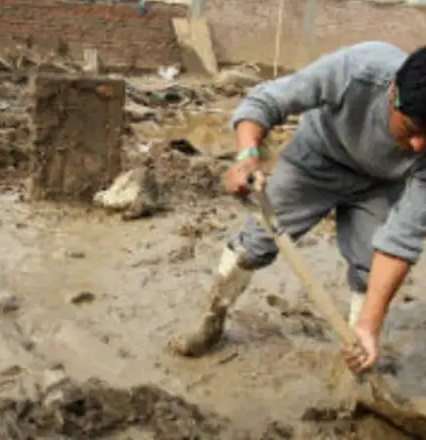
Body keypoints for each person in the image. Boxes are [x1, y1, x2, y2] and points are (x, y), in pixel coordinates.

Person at [168, 41, 426, 375]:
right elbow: (266, 101)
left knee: (369, 268)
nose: (419, 145)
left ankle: (358, 351)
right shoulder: (356, 71)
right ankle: (212, 318)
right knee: (253, 247)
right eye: (412, 129)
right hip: (315, 162)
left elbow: (403, 237)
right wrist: (248, 157)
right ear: (393, 93)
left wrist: (371, 324)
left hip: (380, 185)